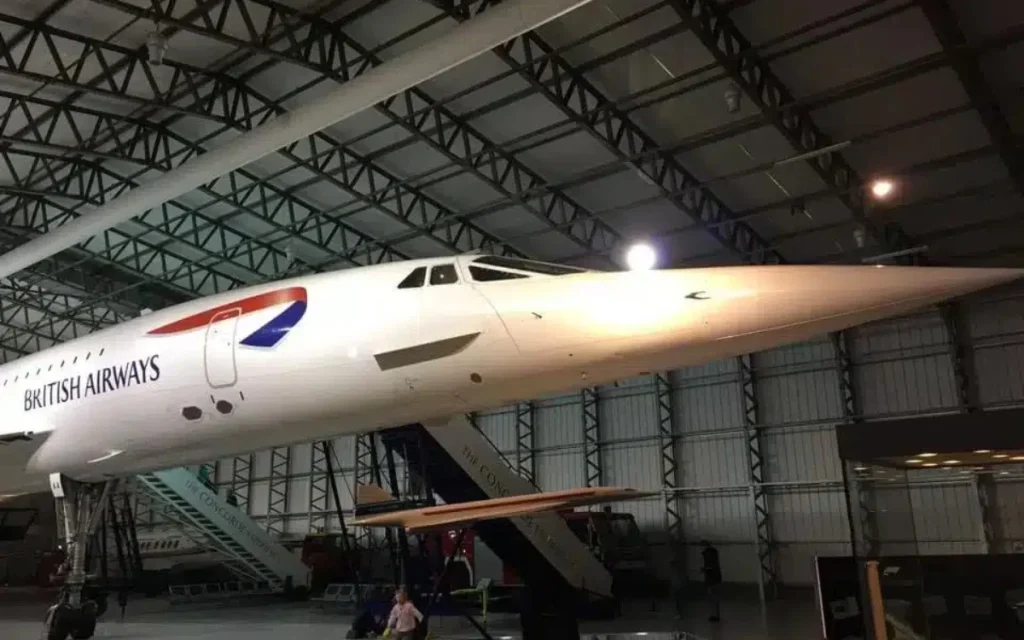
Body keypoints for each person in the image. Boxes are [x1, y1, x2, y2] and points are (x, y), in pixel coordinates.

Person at [700, 540, 721, 622]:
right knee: (714, 597)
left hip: (711, 579)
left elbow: (709, 566)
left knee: (712, 597)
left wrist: (704, 569)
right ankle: (715, 615)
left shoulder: (709, 554)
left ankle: (714, 615)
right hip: (715, 578)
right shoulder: (713, 552)